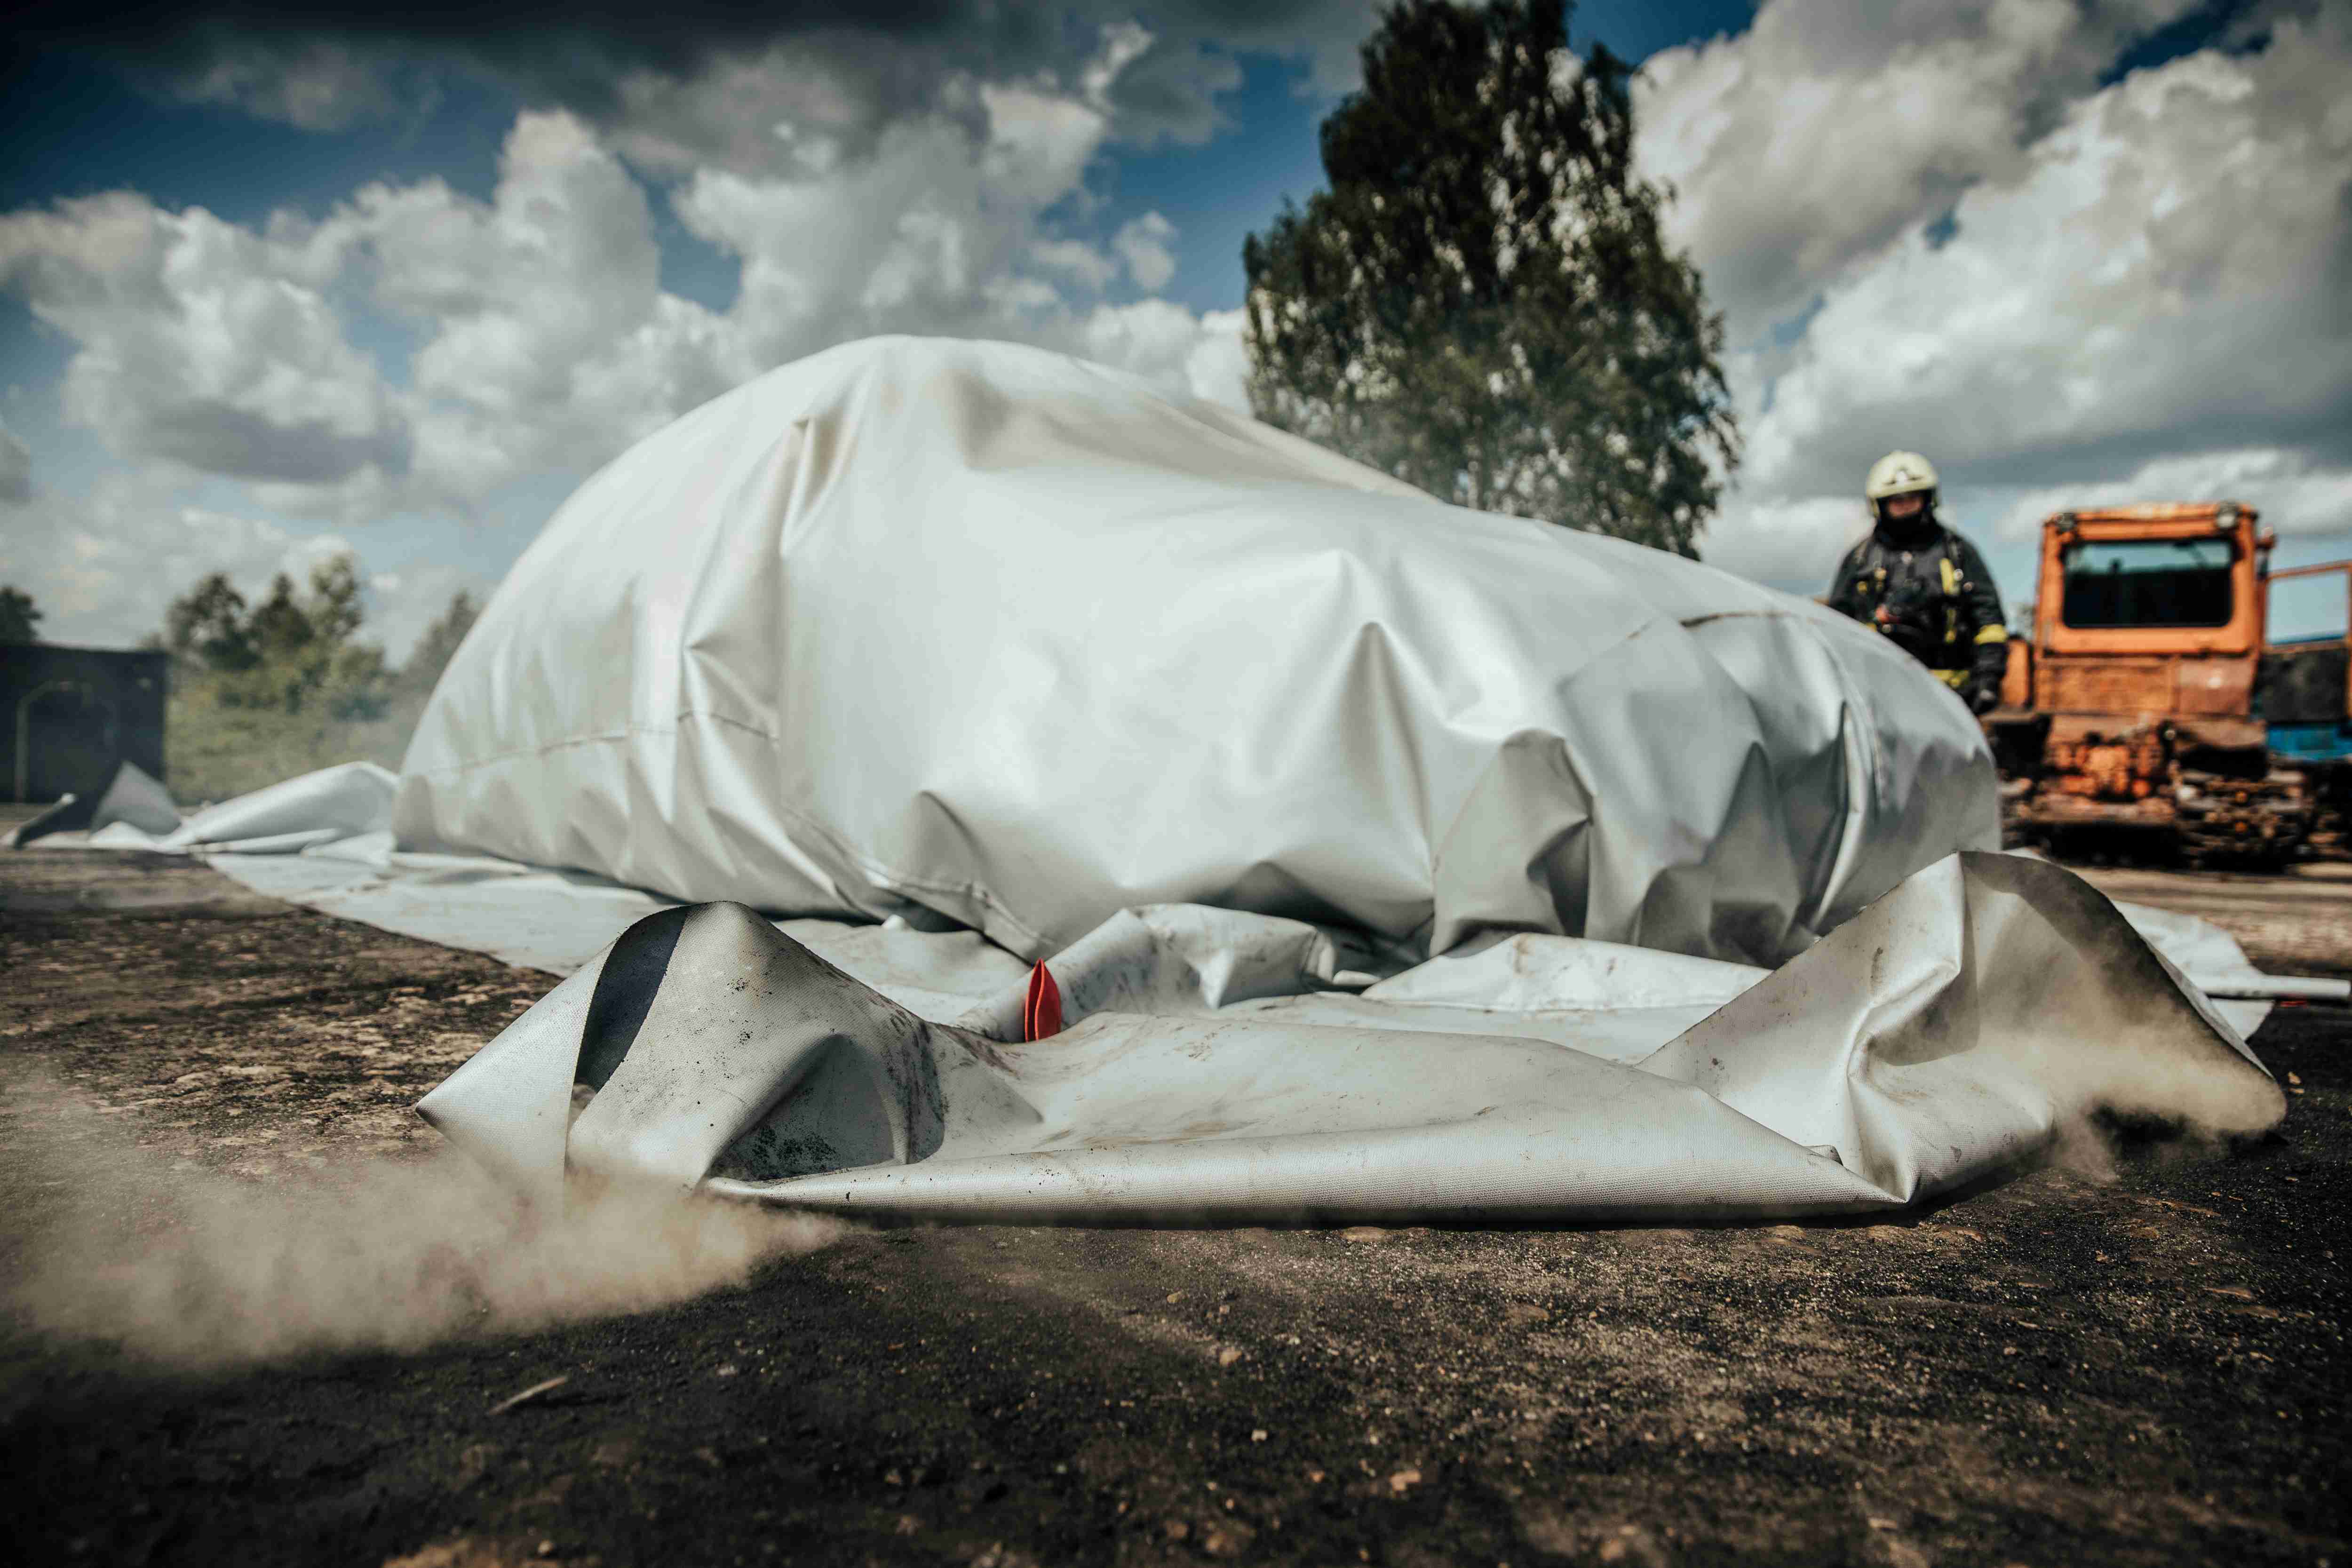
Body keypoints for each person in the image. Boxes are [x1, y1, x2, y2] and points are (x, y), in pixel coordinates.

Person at [1828, 451, 2009, 714]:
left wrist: (1989, 678)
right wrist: (1878, 620)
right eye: (1897, 501)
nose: (1905, 507)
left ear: (1929, 499)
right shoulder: (1860, 560)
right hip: (1878, 697)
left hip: (1951, 698)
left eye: (1912, 499)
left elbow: (1989, 620)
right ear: (1879, 505)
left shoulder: (1958, 554)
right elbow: (1835, 625)